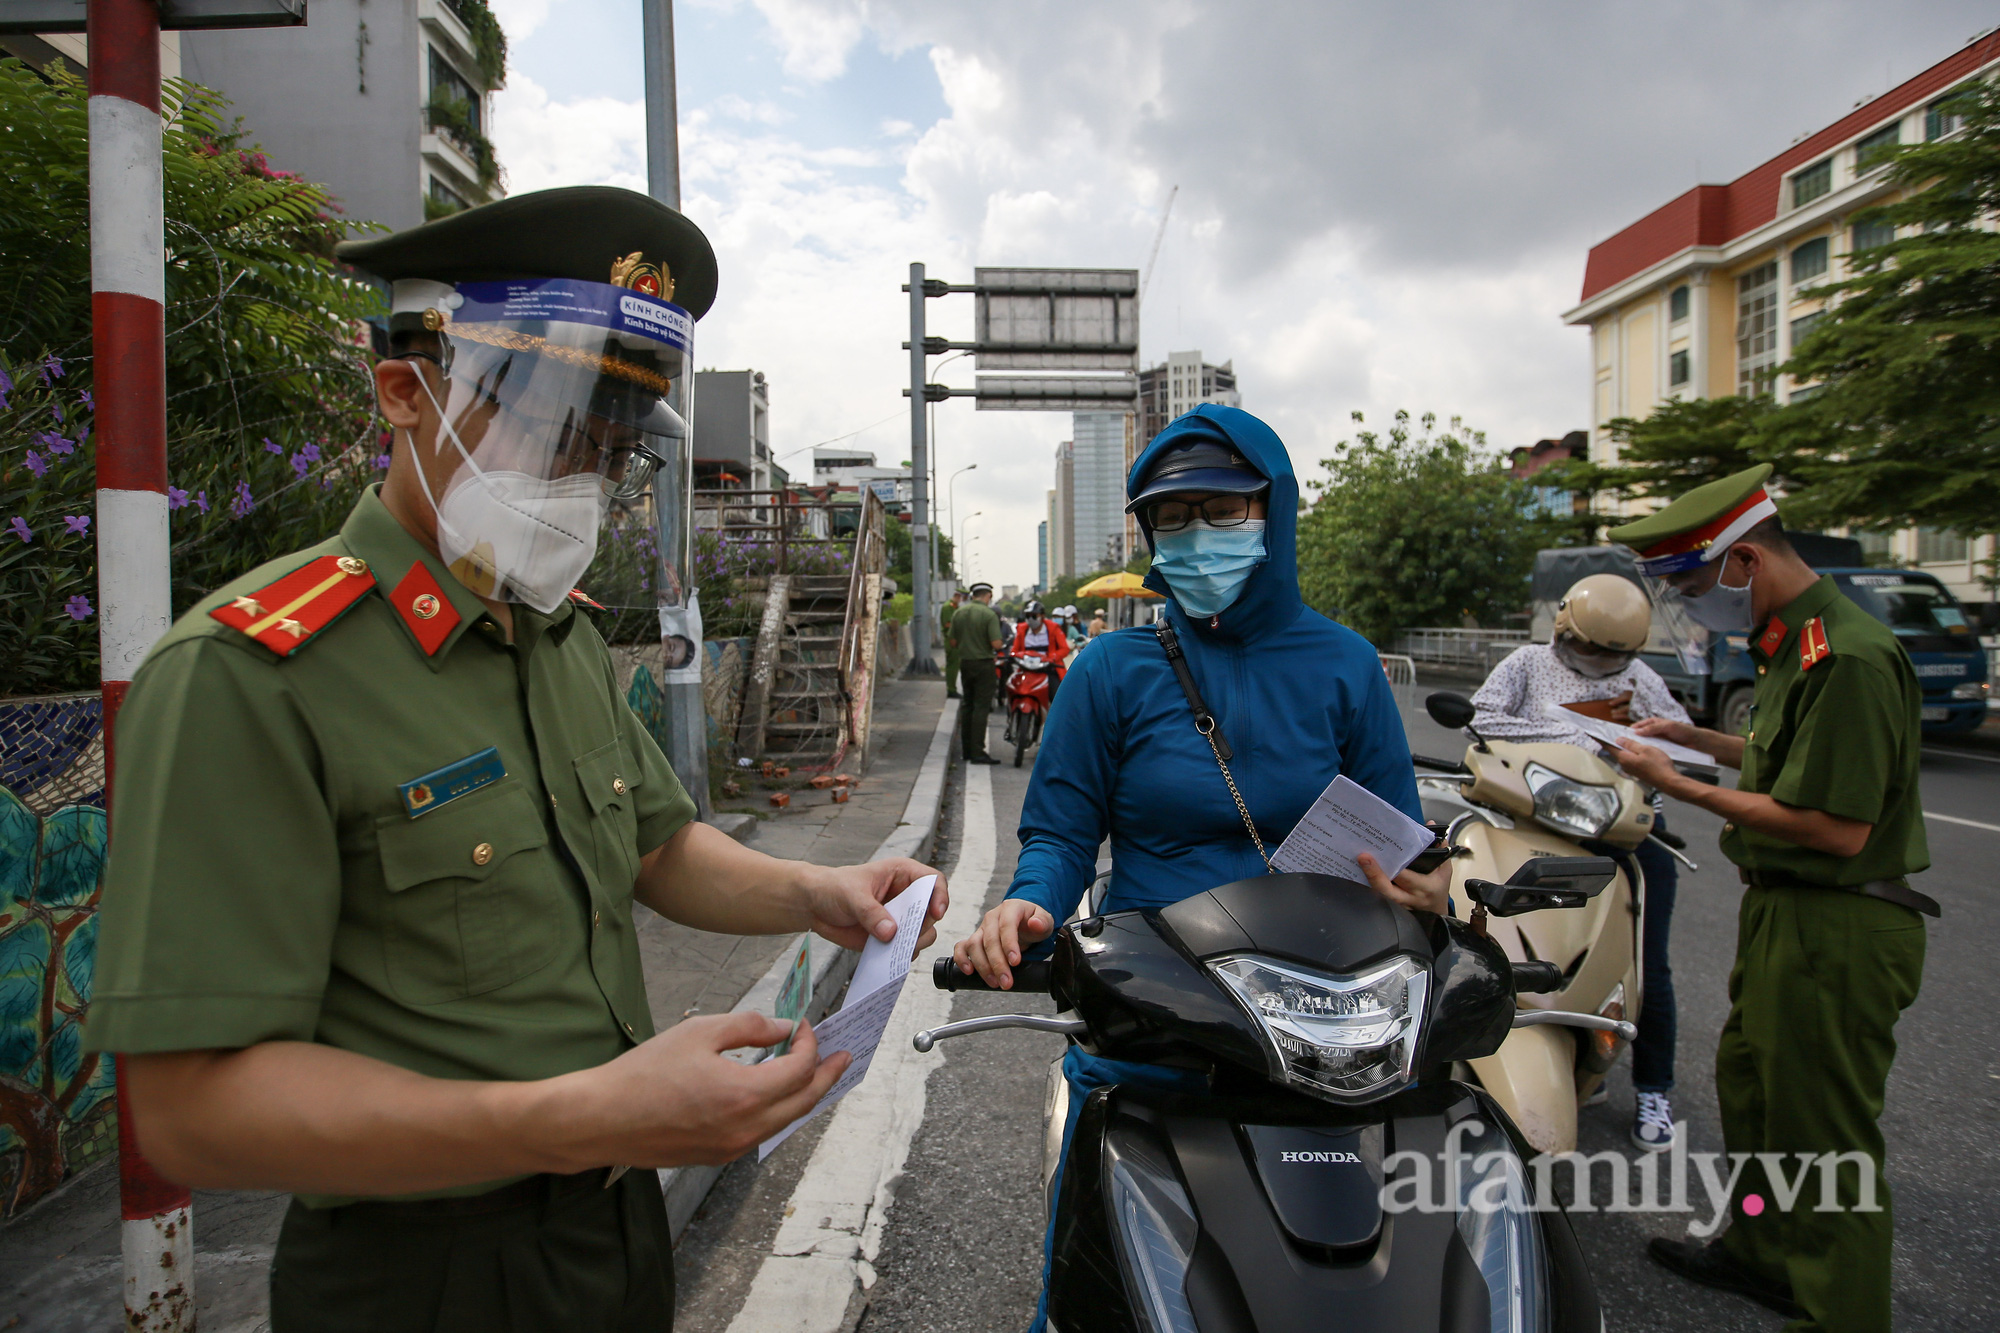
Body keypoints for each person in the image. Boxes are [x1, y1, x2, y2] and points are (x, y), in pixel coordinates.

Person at [82, 186, 947, 1333]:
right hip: (419, 1272)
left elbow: (657, 841)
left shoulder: (553, 630)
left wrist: (813, 891)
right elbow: (190, 1110)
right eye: (550, 428)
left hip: (612, 1227)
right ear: (406, 392)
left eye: (610, 446)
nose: (583, 478)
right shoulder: (249, 676)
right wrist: (585, 1113)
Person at [951, 406, 1451, 1332]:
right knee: (1094, 1282)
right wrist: (1025, 906)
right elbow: (1060, 836)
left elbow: (1401, 844)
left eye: (1219, 510)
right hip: (1159, 1010)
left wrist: (1426, 890)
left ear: (1273, 511)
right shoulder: (1108, 669)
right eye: (1170, 520)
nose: (1192, 537)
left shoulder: (1347, 667)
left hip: (1325, 1010)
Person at [1607, 464, 1933, 1333]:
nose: (1688, 602)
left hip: (1842, 919)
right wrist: (1694, 735)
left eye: (1689, 583)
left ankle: (1839, 1310)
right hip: (1785, 911)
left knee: (1827, 1139)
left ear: (1743, 561)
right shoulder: (1798, 641)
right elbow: (1783, 756)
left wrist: (1679, 780)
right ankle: (1760, 1252)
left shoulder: (1851, 657)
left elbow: (1834, 825)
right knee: (1755, 1098)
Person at [1469, 574, 1694, 1151]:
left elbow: (1681, 743)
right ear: (1563, 630)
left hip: (1623, 835)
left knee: (1644, 964)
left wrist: (1641, 744)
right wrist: (1580, 732)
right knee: (1524, 947)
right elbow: (1485, 718)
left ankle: (1653, 1088)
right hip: (1534, 822)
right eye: (1590, 647)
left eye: (1613, 654)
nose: (1600, 662)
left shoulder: (1641, 680)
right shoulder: (1525, 663)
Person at [950, 581, 1005, 765]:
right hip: (983, 665)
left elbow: (953, 642)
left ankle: (966, 750)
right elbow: (997, 643)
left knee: (968, 705)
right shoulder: (988, 614)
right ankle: (978, 752)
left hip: (965, 663)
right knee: (981, 707)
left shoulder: (959, 612)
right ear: (987, 596)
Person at [1008, 599, 1072, 705]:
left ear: (1042, 616)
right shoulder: (1021, 629)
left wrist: (1052, 657)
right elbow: (1015, 650)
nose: (1030, 619)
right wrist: (1017, 656)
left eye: (1034, 616)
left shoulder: (1053, 628)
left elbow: (1064, 649)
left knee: (1058, 698)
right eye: (1028, 616)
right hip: (1026, 668)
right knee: (1012, 687)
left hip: (1048, 668)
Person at [941, 588, 966, 699]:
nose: (961, 600)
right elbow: (947, 624)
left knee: (955, 667)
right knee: (952, 667)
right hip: (951, 640)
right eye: (961, 597)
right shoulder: (948, 607)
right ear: (957, 596)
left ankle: (953, 688)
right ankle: (951, 690)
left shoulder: (956, 607)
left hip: (957, 640)